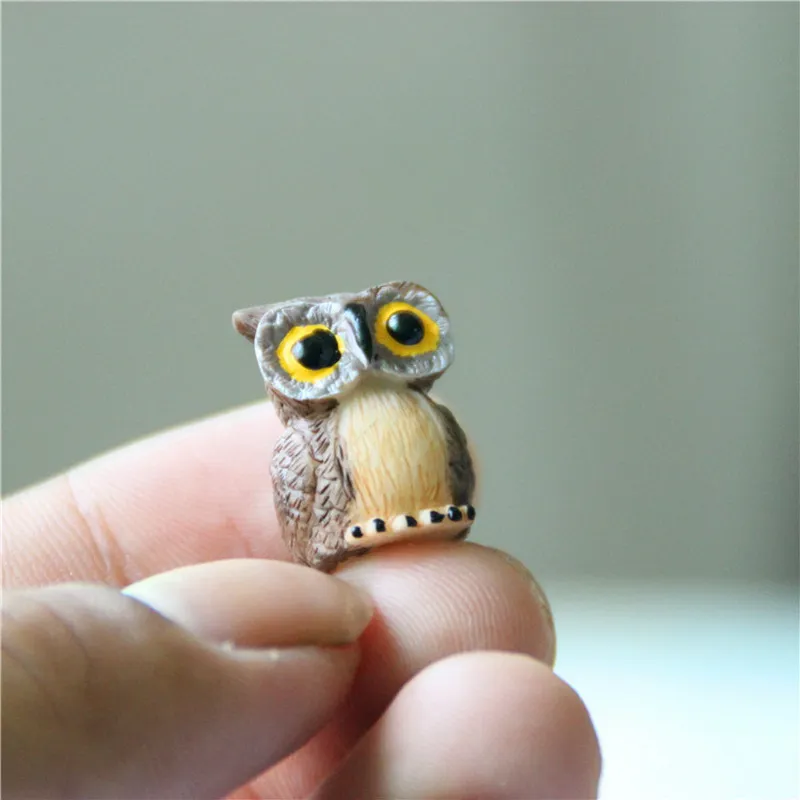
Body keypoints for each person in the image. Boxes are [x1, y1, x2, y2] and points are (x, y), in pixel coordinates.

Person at [1, 402, 601, 799]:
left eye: (398, 332)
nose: (363, 364)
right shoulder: (307, 440)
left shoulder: (425, 413)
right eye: (319, 352)